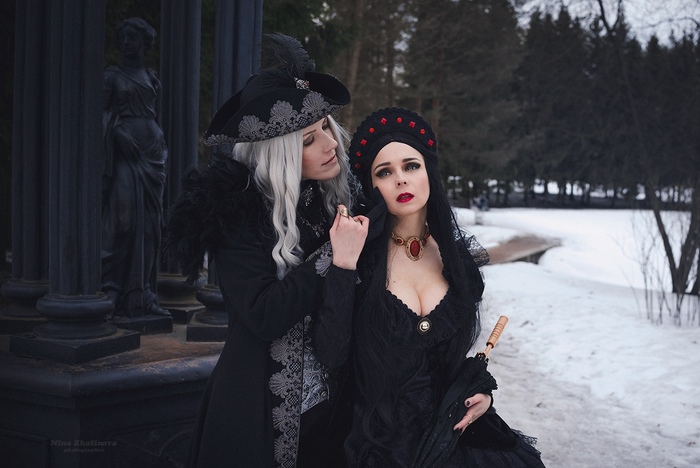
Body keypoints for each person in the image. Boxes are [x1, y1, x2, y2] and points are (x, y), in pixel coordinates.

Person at [165, 34, 368, 467]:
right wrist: (332, 256)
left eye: (327, 127)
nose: (331, 143)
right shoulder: (237, 212)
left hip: (333, 410)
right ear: (280, 154)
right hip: (257, 411)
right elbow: (263, 314)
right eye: (309, 139)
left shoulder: (332, 199)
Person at [345, 108, 544, 467]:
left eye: (411, 166)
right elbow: (332, 354)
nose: (401, 180)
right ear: (371, 187)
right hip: (381, 444)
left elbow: (448, 362)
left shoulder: (456, 262)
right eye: (384, 172)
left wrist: (479, 392)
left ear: (429, 173)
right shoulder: (358, 260)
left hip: (452, 438)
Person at [102, 17, 170, 317]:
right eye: (124, 38)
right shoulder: (111, 77)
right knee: (123, 221)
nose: (127, 43)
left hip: (153, 154)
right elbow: (99, 114)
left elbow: (153, 114)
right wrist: (116, 132)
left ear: (145, 42)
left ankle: (142, 294)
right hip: (125, 155)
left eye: (133, 37)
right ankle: (111, 289)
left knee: (151, 226)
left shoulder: (151, 78)